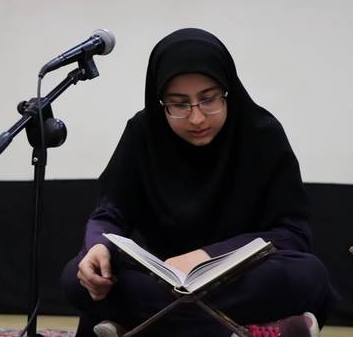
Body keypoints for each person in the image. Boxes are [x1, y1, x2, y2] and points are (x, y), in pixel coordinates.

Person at [61, 28, 335, 337]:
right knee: (77, 277)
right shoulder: (144, 133)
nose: (197, 118)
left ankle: (140, 327)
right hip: (162, 276)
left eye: (208, 99)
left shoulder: (262, 134)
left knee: (309, 275)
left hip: (242, 277)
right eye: (179, 104)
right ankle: (251, 331)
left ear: (228, 91)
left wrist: (206, 257)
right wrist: (97, 245)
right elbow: (110, 213)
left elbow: (294, 233)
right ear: (160, 102)